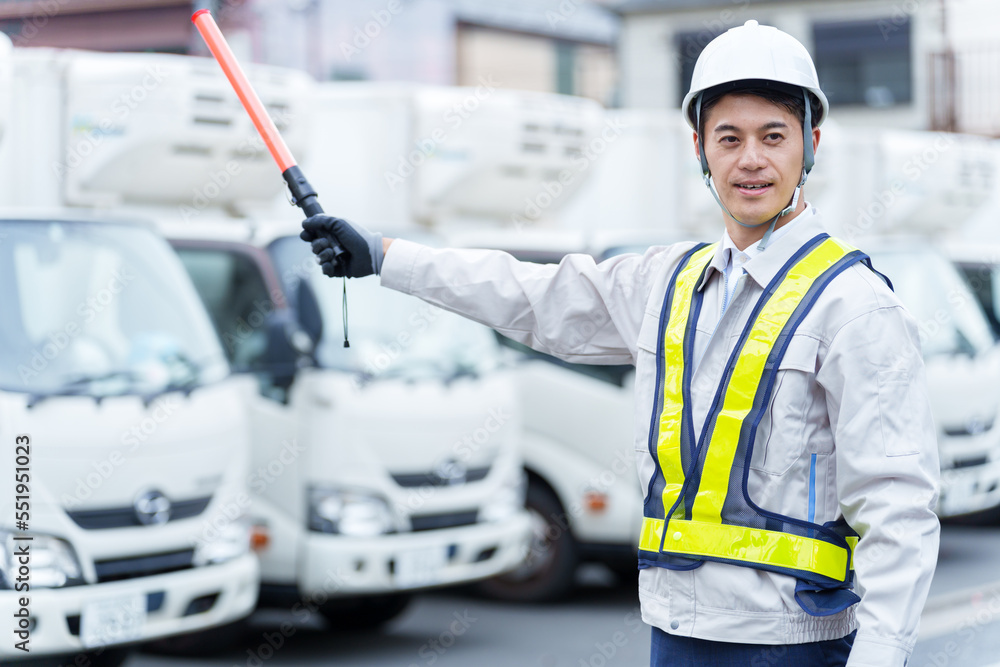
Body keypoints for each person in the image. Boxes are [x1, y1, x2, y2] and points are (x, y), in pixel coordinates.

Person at [300, 20, 940, 667]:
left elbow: (898, 504)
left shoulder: (855, 306)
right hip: (675, 634)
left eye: (773, 136)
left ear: (812, 143)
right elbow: (531, 295)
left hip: (793, 645)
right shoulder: (667, 282)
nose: (751, 159)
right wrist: (383, 257)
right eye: (729, 137)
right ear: (699, 148)